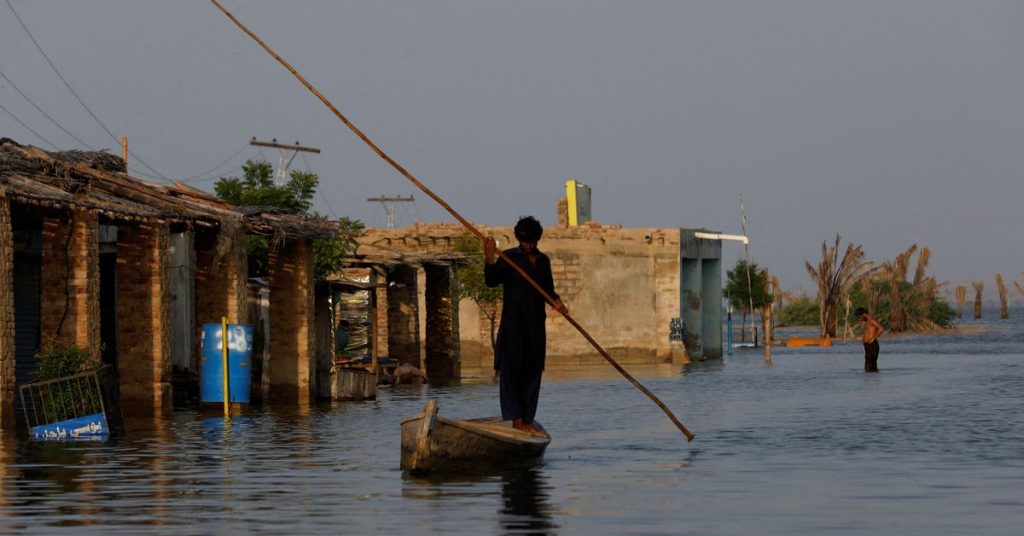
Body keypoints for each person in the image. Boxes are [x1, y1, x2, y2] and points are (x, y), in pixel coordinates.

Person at [484, 216, 567, 435]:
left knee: (533, 371)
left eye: (531, 241)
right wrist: (489, 256)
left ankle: (528, 418)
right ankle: (517, 419)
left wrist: (557, 303)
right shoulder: (509, 258)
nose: (528, 245)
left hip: (535, 326)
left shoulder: (543, 261)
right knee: (511, 372)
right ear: (519, 239)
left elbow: (548, 290)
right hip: (513, 327)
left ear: (538, 239)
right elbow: (491, 282)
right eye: (524, 241)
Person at [855, 307, 883, 372]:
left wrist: (873, 338)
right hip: (868, 345)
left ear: (863, 314)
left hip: (872, 345)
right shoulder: (868, 322)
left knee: (869, 365)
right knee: (870, 365)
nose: (860, 319)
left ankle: (871, 380)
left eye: (860, 317)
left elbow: (881, 328)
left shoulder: (872, 320)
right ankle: (871, 379)